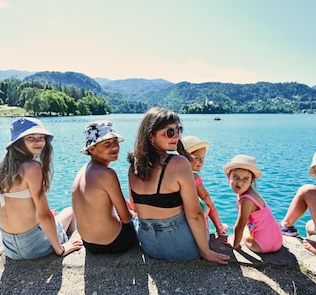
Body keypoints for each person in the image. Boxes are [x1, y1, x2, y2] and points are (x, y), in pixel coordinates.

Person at [127, 107, 229, 264]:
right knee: (201, 205)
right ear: (151, 136)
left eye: (178, 130)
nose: (177, 136)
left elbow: (134, 207)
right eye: (169, 132)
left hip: (149, 245)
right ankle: (221, 229)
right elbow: (194, 214)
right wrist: (206, 252)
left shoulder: (133, 167)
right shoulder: (179, 163)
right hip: (181, 247)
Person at [0, 117, 82, 260]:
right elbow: (44, 215)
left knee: (53, 217)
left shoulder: (5, 167)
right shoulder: (32, 167)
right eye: (31, 137)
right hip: (32, 247)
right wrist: (61, 250)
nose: (38, 141)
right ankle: (63, 243)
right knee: (70, 211)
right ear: (19, 142)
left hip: (10, 248)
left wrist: (43, 216)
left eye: (41, 137)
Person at [71, 120, 137, 254]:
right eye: (107, 143)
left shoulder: (83, 171)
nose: (114, 147)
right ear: (92, 149)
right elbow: (126, 218)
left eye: (116, 142)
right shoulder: (107, 174)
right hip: (113, 242)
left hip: (89, 244)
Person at [223, 155, 282, 253]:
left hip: (262, 246)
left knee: (245, 228)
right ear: (229, 176)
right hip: (278, 242)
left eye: (245, 179)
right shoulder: (251, 192)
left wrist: (235, 244)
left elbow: (239, 226)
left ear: (252, 180)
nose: (240, 183)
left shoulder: (246, 200)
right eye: (236, 177)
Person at [180, 135, 229, 237]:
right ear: (184, 157)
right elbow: (206, 197)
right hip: (193, 226)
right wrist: (219, 226)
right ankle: (219, 229)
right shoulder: (193, 178)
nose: (202, 162)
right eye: (197, 158)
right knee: (206, 205)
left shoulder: (172, 174)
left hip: (178, 223)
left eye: (203, 158)